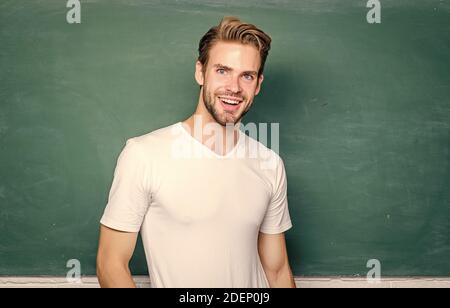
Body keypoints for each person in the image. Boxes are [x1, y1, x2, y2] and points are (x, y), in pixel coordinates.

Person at [96, 16, 295, 288]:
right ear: (200, 72)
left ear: (258, 84)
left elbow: (277, 270)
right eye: (222, 71)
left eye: (246, 76)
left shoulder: (270, 164)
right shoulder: (143, 155)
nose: (234, 87)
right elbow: (111, 263)